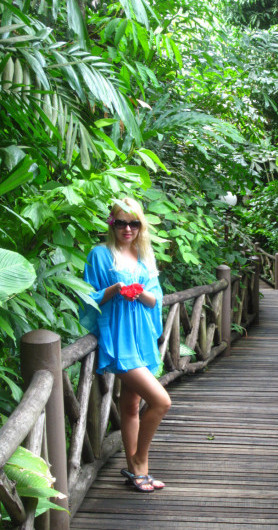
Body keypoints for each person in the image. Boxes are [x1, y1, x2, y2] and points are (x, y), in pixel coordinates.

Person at [80, 197, 171, 493]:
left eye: (134, 223)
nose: (127, 229)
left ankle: (135, 471)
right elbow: (88, 297)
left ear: (141, 226)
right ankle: (140, 462)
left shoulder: (144, 255)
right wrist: (115, 289)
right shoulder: (100, 254)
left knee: (131, 405)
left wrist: (139, 292)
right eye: (121, 222)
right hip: (118, 340)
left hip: (141, 338)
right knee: (161, 401)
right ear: (112, 224)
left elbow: (155, 299)